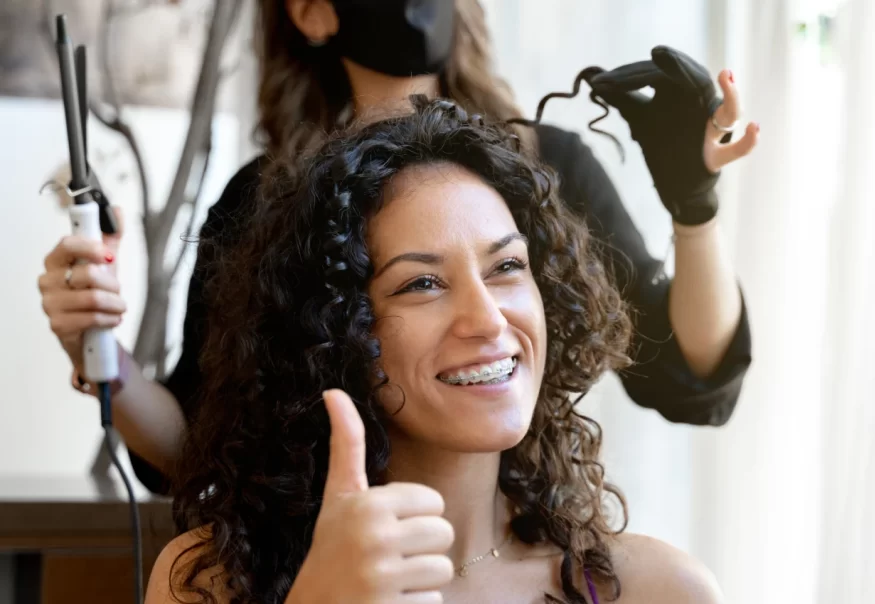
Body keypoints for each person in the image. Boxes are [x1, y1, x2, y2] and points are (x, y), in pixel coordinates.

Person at [36, 0, 757, 494]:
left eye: (505, 266)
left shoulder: (549, 167)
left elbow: (690, 374)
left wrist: (693, 209)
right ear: (310, 11)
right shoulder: (269, 200)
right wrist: (102, 353)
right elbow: (197, 446)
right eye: (420, 283)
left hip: (535, 540)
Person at [145, 96, 725, 604]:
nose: (488, 318)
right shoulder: (206, 582)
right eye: (422, 283)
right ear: (333, 330)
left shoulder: (660, 590)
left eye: (506, 267)